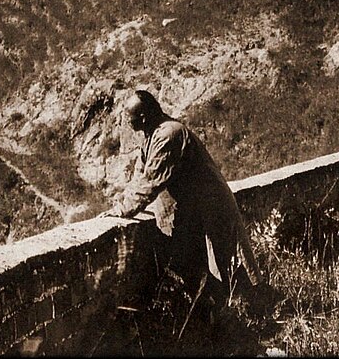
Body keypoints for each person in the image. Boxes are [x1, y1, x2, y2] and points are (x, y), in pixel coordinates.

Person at [108, 89, 260, 309]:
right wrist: (122, 203)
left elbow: (151, 181)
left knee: (229, 268)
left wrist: (123, 210)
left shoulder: (168, 135)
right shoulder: (151, 137)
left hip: (212, 208)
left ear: (143, 117)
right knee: (210, 275)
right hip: (197, 211)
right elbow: (139, 178)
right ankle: (230, 316)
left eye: (129, 116)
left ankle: (255, 316)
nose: (126, 121)